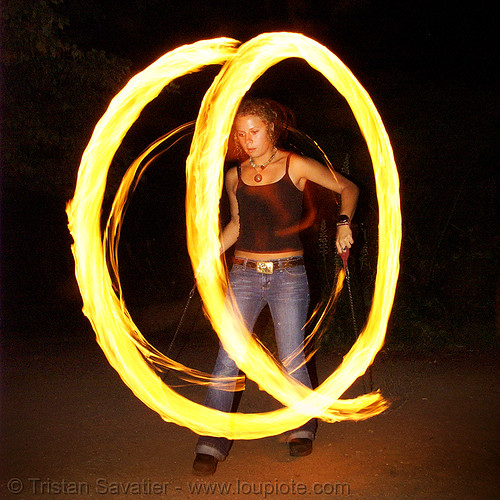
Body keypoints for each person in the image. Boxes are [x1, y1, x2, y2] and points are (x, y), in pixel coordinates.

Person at [192, 98, 359, 476]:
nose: (246, 140)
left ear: (272, 130)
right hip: (244, 274)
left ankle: (301, 425)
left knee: (290, 358)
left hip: (288, 275)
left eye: (254, 132)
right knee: (227, 359)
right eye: (240, 133)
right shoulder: (234, 175)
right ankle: (211, 441)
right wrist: (209, 253)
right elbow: (237, 226)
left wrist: (344, 223)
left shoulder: (295, 165)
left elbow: (348, 187)